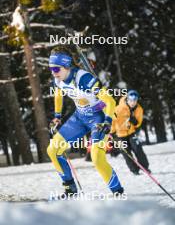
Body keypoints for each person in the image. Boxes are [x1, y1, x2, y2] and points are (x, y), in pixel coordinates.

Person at [47, 47, 124, 198]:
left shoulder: (84, 78)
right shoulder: (58, 79)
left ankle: (118, 193)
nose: (53, 72)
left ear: (67, 65)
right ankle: (70, 190)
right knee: (53, 149)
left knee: (96, 157)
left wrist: (107, 122)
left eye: (56, 68)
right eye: (51, 68)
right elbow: (58, 94)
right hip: (79, 117)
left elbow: (109, 100)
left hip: (98, 119)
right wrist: (57, 116)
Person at [111, 90, 150, 175]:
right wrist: (111, 132)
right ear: (127, 99)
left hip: (131, 133)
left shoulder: (139, 109)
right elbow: (112, 121)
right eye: (131, 100)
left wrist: (135, 122)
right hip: (119, 135)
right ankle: (134, 170)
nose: (133, 103)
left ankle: (145, 167)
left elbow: (138, 123)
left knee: (138, 149)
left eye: (135, 101)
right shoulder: (118, 109)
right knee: (126, 153)